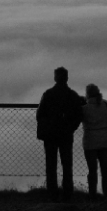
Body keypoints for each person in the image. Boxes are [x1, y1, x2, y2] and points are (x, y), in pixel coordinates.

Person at [36, 66, 83, 201]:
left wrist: (48, 124)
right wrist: (71, 127)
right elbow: (79, 115)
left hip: (50, 134)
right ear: (67, 78)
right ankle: (67, 194)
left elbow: (39, 114)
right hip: (66, 135)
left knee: (51, 165)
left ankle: (53, 194)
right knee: (67, 165)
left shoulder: (48, 94)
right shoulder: (72, 95)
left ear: (55, 78)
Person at [81, 83, 107, 199]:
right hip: (104, 139)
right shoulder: (104, 105)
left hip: (90, 141)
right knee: (105, 170)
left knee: (92, 170)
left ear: (87, 95)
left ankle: (92, 194)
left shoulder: (84, 109)